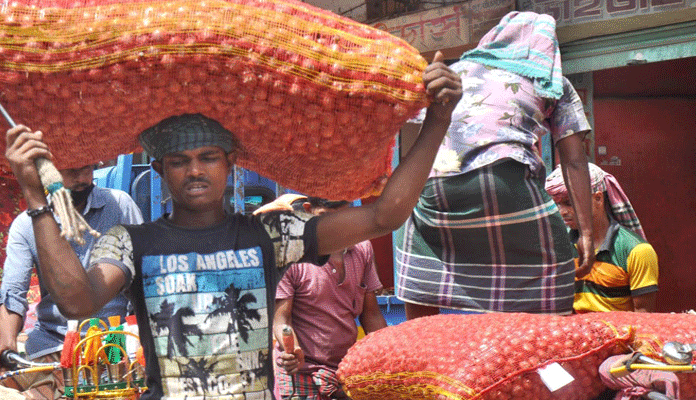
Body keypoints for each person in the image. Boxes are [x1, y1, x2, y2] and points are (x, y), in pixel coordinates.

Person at [3, 52, 461, 400]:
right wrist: (37, 200)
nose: (195, 171)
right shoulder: (132, 241)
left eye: (208, 158)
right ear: (161, 171)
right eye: (180, 162)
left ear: (231, 165)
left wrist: (437, 122)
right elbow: (77, 301)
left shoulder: (270, 235)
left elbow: (386, 216)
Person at [395, 11, 595, 318]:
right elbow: (575, 162)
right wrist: (586, 234)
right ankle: (548, 352)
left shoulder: (456, 71)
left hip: (432, 186)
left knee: (422, 256)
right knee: (555, 259)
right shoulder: (552, 83)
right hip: (502, 177)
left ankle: (417, 349)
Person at [0, 163, 144, 399]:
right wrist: (6, 348)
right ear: (45, 173)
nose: (82, 177)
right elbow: (13, 293)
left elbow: (143, 275)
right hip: (53, 345)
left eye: (86, 168)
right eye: (70, 169)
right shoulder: (26, 224)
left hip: (114, 342)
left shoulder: (119, 205)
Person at [270, 196, 387, 400]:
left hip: (345, 370)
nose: (335, 227)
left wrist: (389, 354)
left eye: (341, 217)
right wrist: (293, 349)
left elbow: (371, 315)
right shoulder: (289, 254)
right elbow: (281, 320)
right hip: (301, 373)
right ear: (309, 210)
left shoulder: (362, 249)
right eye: (326, 218)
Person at [545, 162, 658, 313]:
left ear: (598, 199)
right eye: (557, 204)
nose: (562, 211)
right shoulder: (558, 247)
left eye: (569, 203)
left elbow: (643, 316)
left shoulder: (637, 251)